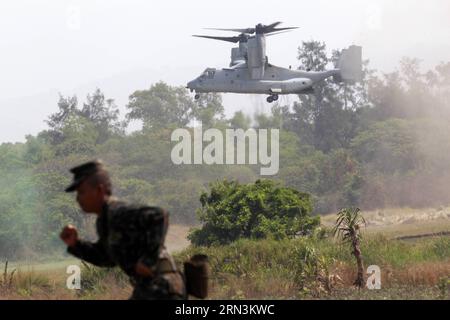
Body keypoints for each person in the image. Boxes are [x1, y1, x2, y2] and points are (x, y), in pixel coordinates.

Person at [60, 160, 186, 300]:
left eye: (81, 192)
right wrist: (76, 244)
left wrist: (148, 260)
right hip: (148, 287)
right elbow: (106, 258)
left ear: (99, 190)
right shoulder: (104, 221)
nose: (78, 199)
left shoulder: (118, 212)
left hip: (164, 287)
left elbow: (159, 215)